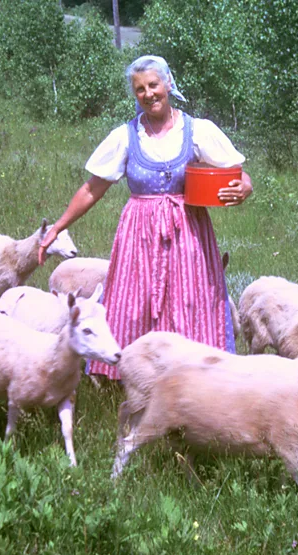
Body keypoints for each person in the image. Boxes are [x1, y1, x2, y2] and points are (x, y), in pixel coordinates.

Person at [37, 55, 253, 380]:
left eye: (153, 85)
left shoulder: (197, 131)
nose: (148, 94)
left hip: (188, 232)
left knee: (191, 300)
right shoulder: (126, 136)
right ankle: (137, 377)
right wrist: (58, 226)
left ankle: (195, 378)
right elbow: (92, 188)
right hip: (139, 234)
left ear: (168, 84)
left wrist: (245, 187)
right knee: (135, 302)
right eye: (140, 89)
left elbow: (237, 174)